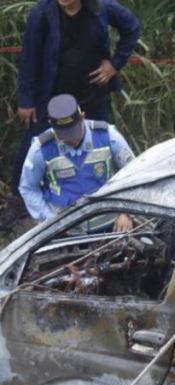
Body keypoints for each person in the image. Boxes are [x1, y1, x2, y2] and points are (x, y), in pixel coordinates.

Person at [12, 0, 140, 195]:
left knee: (101, 143)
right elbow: (29, 57)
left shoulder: (101, 8)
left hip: (93, 95)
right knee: (34, 144)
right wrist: (26, 99)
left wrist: (115, 64)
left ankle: (108, 194)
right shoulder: (42, 13)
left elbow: (132, 27)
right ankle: (20, 198)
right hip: (51, 99)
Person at [19, 93, 135, 229]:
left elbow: (134, 173)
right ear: (52, 127)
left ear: (83, 117)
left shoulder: (109, 136)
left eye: (74, 132)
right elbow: (28, 187)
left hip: (111, 222)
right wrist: (50, 221)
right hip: (65, 227)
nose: (71, 139)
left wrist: (126, 211)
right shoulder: (40, 149)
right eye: (64, 135)